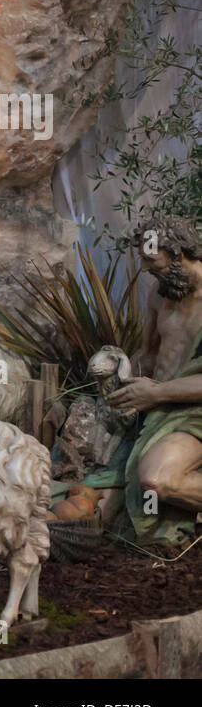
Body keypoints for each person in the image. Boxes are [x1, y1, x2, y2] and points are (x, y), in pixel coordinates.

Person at [105, 214, 202, 543]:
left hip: (194, 412)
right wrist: (118, 375)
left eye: (152, 261)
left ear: (177, 253)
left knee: (157, 479)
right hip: (158, 410)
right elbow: (147, 356)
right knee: (102, 502)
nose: (146, 269)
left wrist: (158, 394)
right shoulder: (160, 295)